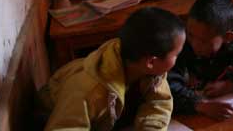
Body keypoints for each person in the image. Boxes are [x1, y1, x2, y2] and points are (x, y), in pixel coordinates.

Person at [37, 7, 185, 130]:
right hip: (53, 116)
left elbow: (158, 104)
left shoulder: (152, 71)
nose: (177, 59)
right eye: (176, 55)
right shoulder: (88, 89)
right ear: (151, 62)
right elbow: (64, 127)